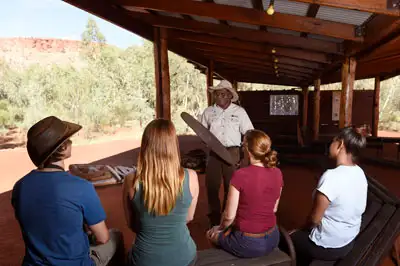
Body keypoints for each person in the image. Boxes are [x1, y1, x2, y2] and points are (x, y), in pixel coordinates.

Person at [11, 116, 123, 266]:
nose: (71, 142)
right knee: (116, 236)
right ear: (63, 148)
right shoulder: (81, 187)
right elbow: (102, 238)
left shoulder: (20, 187)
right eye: (68, 140)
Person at [123, 119, 199, 266]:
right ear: (173, 145)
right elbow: (189, 217)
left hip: (144, 259)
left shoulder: (131, 180)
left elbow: (131, 224)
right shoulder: (192, 177)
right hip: (183, 257)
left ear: (145, 144)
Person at [289, 126, 368, 265]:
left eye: (333, 141)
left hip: (330, 246)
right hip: (349, 240)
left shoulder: (331, 176)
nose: (330, 145)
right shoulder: (359, 172)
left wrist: (299, 230)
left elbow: (314, 220)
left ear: (341, 144)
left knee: (287, 239)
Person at [206, 129, 283, 258]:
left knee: (210, 234)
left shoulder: (240, 175)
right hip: (273, 237)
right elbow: (274, 208)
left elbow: (229, 217)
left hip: (248, 242)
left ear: (247, 150)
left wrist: (219, 229)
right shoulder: (277, 172)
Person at [200, 80, 254, 226]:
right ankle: (214, 216)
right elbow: (202, 132)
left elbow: (249, 132)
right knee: (211, 186)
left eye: (224, 93)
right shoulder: (208, 112)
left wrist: (245, 155)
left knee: (231, 186)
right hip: (214, 153)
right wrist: (206, 141)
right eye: (217, 94)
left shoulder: (239, 112)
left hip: (233, 152)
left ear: (230, 96)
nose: (220, 96)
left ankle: (227, 215)